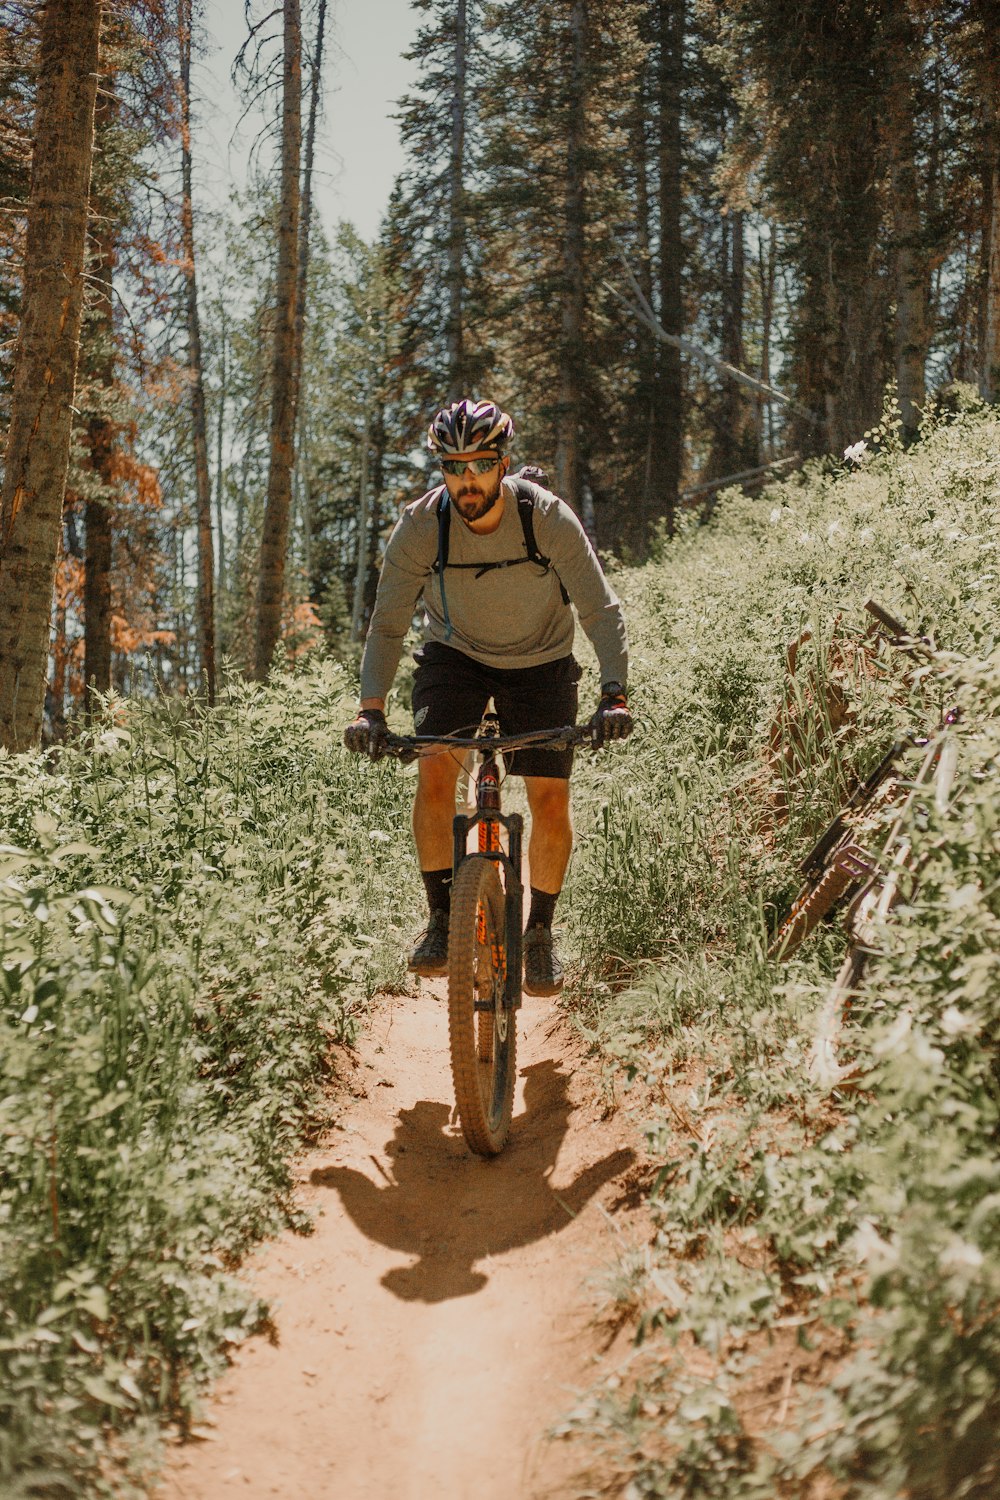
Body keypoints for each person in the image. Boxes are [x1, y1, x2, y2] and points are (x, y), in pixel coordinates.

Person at [343, 398, 632, 995]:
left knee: (550, 798)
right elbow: (388, 623)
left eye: (478, 464)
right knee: (434, 773)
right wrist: (370, 711)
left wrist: (613, 693)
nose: (465, 479)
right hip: (457, 658)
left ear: (503, 463)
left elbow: (600, 609)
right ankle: (442, 917)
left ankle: (540, 933)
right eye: (452, 467)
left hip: (542, 661)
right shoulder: (423, 526)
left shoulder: (547, 518)